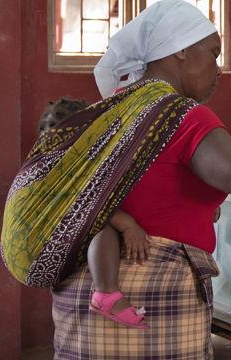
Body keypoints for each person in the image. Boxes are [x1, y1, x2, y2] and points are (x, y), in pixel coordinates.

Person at [0, 0, 231, 358]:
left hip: (82, 300)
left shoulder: (112, 110)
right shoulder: (180, 114)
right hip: (150, 295)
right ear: (179, 50)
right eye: (212, 52)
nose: (218, 67)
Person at [38, 97, 155, 329]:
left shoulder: (81, 159)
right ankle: (107, 295)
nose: (49, 133)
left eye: (59, 125)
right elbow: (89, 202)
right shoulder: (55, 164)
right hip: (59, 230)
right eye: (44, 127)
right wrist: (129, 225)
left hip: (66, 234)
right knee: (103, 223)